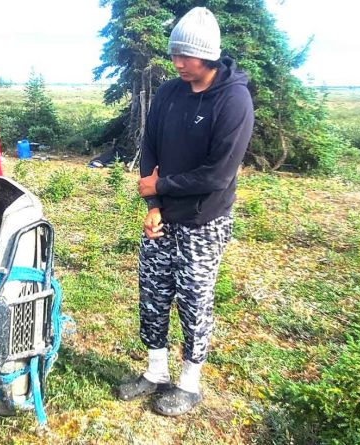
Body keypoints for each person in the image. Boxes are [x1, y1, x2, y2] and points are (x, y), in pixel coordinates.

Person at [116, 7, 254, 416]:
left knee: (195, 300)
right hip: (163, 218)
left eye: (185, 56)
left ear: (208, 55)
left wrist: (160, 186)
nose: (177, 62)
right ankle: (155, 372)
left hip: (203, 220)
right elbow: (151, 147)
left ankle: (189, 382)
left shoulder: (233, 100)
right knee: (153, 295)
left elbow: (217, 174)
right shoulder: (169, 92)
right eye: (174, 53)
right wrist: (153, 204)